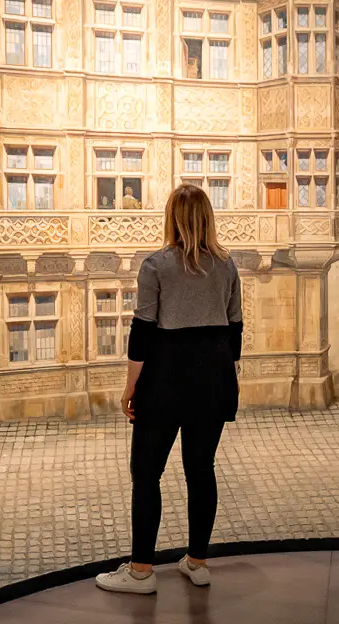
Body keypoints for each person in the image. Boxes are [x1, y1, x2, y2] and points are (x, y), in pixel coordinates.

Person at [97, 184, 242, 595]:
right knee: (201, 471)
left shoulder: (156, 266)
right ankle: (197, 562)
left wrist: (130, 388)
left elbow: (142, 331)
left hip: (165, 380)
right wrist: (226, 372)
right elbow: (235, 327)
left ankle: (142, 571)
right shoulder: (228, 266)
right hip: (213, 380)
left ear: (171, 218)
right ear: (208, 217)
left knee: (146, 473)